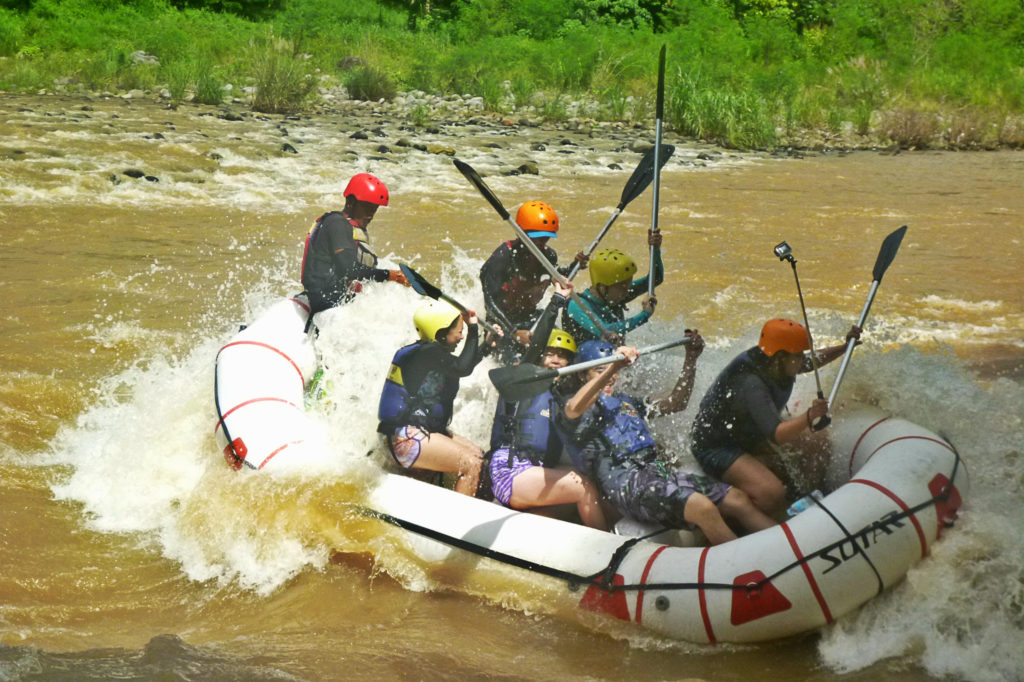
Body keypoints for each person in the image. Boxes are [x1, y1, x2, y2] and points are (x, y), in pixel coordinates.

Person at [554, 337, 776, 545]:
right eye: (599, 370)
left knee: (737, 499)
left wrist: (690, 359)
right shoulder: (570, 406)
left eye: (610, 371)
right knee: (702, 507)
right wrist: (614, 365)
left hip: (657, 471)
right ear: (583, 376)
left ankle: (783, 546)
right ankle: (743, 571)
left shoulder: (624, 401)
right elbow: (574, 408)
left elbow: (675, 403)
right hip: (625, 484)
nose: (611, 377)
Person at [689, 318, 862, 516]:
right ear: (780, 357)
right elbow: (777, 435)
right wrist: (810, 415)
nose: (802, 359)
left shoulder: (777, 362)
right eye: (798, 355)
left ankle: (805, 496)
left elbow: (810, 361)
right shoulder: (751, 382)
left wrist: (844, 347)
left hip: (750, 434)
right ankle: (781, 521)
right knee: (772, 493)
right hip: (718, 446)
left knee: (818, 443)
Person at [487, 280, 608, 530]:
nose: (556, 359)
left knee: (592, 488)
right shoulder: (523, 379)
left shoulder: (564, 397)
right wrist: (557, 302)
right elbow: (535, 346)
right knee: (583, 486)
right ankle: (606, 548)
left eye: (563, 356)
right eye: (550, 353)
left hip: (535, 474)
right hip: (510, 470)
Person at [377, 299, 489, 496]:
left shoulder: (430, 355)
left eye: (463, 332)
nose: (461, 337)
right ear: (442, 332)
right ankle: (459, 525)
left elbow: (462, 365)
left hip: (415, 432)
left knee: (478, 454)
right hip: (405, 437)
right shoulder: (427, 352)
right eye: (459, 331)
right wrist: (473, 328)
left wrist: (487, 346)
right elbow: (462, 368)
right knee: (471, 464)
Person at [479, 200, 586, 363]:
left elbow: (560, 279)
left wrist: (576, 265)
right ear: (521, 233)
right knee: (513, 361)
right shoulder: (503, 257)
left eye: (546, 238)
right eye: (537, 238)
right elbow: (490, 305)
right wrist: (514, 332)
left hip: (530, 318)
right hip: (501, 323)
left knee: (562, 349)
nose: (542, 243)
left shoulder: (548, 255)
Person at [301, 172, 409, 315]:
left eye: (374, 209)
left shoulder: (338, 222)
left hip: (325, 299)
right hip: (326, 303)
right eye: (367, 208)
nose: (371, 215)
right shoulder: (338, 224)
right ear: (350, 202)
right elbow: (349, 270)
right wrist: (391, 276)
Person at [563, 232, 663, 345]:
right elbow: (607, 331)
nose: (627, 291)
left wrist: (655, 250)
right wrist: (644, 314)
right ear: (602, 287)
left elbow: (655, 279)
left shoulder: (616, 294)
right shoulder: (577, 305)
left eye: (628, 285)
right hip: (584, 359)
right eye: (623, 287)